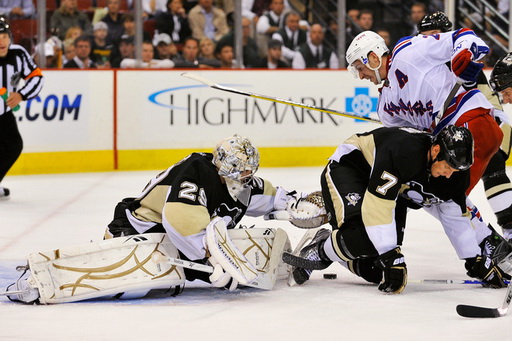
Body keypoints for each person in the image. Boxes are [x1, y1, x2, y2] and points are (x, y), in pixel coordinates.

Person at [6, 134, 319, 304]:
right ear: (220, 163)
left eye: (249, 170)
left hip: (179, 244)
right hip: (138, 227)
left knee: (171, 282)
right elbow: (178, 217)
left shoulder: (241, 183)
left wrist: (292, 203)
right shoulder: (198, 170)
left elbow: (264, 194)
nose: (245, 176)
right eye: (239, 169)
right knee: (137, 286)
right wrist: (211, 260)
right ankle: (43, 279)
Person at [345, 30, 510, 272]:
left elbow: (465, 37)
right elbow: (410, 143)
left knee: (444, 195)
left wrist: (463, 54)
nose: (360, 75)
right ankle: (491, 245)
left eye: (360, 67)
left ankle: (491, 247)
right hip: (451, 138)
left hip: (470, 118)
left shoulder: (408, 50)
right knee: (431, 192)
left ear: (372, 56)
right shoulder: (386, 107)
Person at [285, 126, 506, 293]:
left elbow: (455, 216)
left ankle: (335, 243)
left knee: (378, 270)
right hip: (352, 168)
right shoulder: (405, 152)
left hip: (393, 192)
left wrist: (474, 259)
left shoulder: (455, 174)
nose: (450, 174)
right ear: (436, 150)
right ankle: (321, 249)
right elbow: (378, 205)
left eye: (456, 170)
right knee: (364, 239)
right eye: (447, 166)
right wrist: (391, 254)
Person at [417, 13, 512, 246]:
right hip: (454, 131)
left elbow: (489, 99)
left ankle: (506, 231)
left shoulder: (461, 58)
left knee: (493, 167)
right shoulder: (420, 63)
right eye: (424, 36)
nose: (427, 41)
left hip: (486, 122)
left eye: (432, 36)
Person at [0, 20, 44, 200]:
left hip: (3, 113)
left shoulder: (18, 53)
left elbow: (36, 77)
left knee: (13, 146)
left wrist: (21, 95)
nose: (1, 41)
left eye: (4, 36)